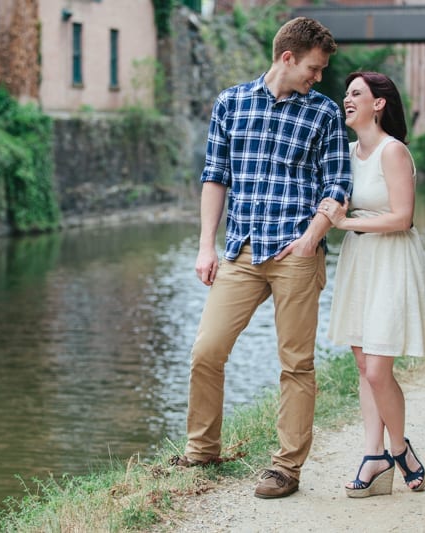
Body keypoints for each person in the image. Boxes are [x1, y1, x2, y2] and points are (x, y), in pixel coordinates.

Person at [169, 17, 352, 500]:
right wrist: (206, 245)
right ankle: (201, 450)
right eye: (314, 68)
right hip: (241, 250)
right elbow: (215, 176)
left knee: (296, 364)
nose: (319, 77)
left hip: (296, 250)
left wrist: (312, 239)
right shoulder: (231, 103)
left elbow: (337, 187)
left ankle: (285, 468)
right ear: (286, 57)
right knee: (206, 351)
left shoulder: (324, 114)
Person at [319, 71, 425, 498]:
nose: (346, 100)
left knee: (378, 368)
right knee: (363, 370)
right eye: (345, 94)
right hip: (359, 260)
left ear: (379, 103)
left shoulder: (393, 152)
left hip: (390, 258)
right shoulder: (346, 152)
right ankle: (373, 455)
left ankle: (400, 449)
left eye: (356, 94)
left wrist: (345, 221)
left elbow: (404, 217)